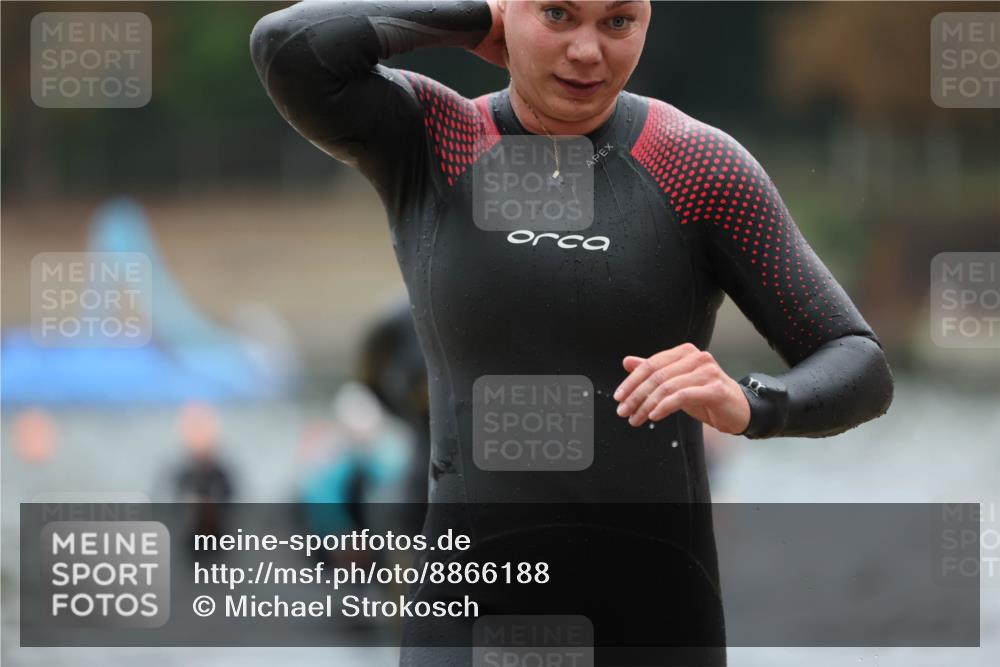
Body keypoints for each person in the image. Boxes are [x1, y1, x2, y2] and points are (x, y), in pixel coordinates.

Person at [250, 2, 893, 665]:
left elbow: (860, 363)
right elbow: (290, 47)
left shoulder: (696, 167)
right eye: (559, 14)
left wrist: (752, 403)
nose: (588, 50)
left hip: (653, 624)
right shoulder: (433, 139)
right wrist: (469, 19)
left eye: (618, 21)